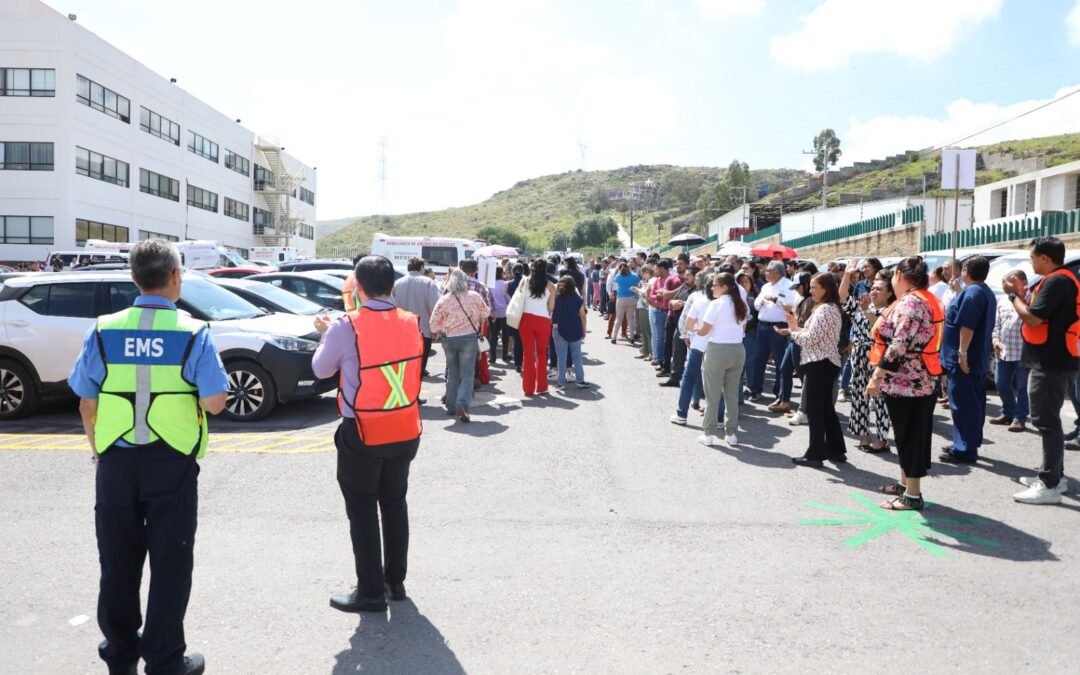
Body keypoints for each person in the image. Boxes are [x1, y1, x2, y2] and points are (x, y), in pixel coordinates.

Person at [68, 239, 228, 675]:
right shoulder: (192, 331)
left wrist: (98, 453)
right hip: (171, 462)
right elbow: (215, 402)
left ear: (134, 278)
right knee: (170, 563)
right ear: (175, 277)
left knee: (117, 561)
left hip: (115, 463)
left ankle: (120, 654)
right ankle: (163, 660)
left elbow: (86, 401)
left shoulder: (102, 329)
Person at [312, 255, 424, 614]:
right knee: (395, 503)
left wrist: (327, 334)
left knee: (362, 510)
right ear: (393, 286)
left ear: (357, 288)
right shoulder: (411, 322)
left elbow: (320, 368)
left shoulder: (346, 326)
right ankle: (395, 582)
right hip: (405, 427)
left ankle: (370, 591)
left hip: (363, 429)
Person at [1005, 237, 1079, 504]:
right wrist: (1022, 295)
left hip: (1052, 362)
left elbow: (1033, 317)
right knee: (1049, 421)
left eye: (1033, 257)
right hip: (1054, 360)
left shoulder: (1058, 281)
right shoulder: (1059, 280)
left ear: (1045, 258)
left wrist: (1014, 297)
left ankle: (1049, 483)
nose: (1031, 262)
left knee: (1046, 422)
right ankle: (1055, 477)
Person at [866, 256, 944, 511]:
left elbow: (898, 346)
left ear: (900, 275)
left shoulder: (911, 303)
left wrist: (877, 376)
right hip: (920, 379)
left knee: (910, 436)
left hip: (907, 382)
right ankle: (904, 484)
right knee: (906, 435)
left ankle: (912, 494)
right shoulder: (926, 299)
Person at [782, 273, 845, 467]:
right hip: (824, 362)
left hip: (820, 363)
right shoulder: (828, 308)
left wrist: (793, 333)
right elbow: (812, 335)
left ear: (825, 288)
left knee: (816, 410)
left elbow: (811, 339)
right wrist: (794, 329)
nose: (810, 291)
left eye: (814, 287)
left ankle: (815, 454)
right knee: (825, 409)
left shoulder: (826, 309)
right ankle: (835, 450)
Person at [938, 256, 997, 464]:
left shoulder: (973, 293)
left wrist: (962, 354)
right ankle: (967, 443)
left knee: (963, 405)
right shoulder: (982, 292)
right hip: (976, 358)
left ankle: (964, 448)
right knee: (972, 404)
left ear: (965, 272)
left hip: (965, 360)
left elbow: (967, 327)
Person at [839, 262, 895, 452]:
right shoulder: (865, 304)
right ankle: (863, 435)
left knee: (879, 398)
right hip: (860, 355)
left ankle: (881, 438)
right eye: (873, 288)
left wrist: (865, 311)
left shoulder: (890, 310)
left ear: (889, 293)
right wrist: (847, 275)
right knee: (859, 395)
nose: (874, 291)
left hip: (878, 356)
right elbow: (843, 298)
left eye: (879, 289)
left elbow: (878, 329)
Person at [429, 269, 490, 422]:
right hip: (469, 338)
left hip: (449, 339)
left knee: (452, 373)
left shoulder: (444, 299)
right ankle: (462, 404)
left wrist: (441, 329)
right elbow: (485, 314)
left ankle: (450, 406)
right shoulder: (474, 297)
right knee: (467, 375)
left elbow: (433, 324)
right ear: (466, 281)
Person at [695, 272, 748, 448]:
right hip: (737, 349)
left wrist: (696, 328)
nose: (712, 288)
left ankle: (709, 433)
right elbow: (742, 327)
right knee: (731, 394)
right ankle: (731, 433)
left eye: (715, 285)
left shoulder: (716, 304)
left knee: (712, 395)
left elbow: (704, 330)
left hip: (718, 350)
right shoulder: (741, 304)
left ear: (724, 287)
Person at [991, 269, 1030, 432]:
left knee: (1022, 387)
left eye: (1007, 283)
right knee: (1001, 384)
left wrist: (1019, 295)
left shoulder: (1030, 299)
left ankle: (1019, 418)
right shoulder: (1002, 300)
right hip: (1004, 351)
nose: (1004, 287)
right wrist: (995, 340)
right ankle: (1008, 412)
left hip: (1024, 352)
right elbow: (997, 323)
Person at [671, 271, 713, 425]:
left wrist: (686, 334)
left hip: (698, 343)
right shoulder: (727, 301)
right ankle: (716, 415)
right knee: (714, 380)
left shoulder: (697, 299)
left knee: (690, 376)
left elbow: (685, 319)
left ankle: (683, 413)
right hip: (712, 345)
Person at [749, 261, 793, 401]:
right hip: (762, 326)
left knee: (780, 361)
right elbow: (756, 304)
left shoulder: (788, 286)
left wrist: (775, 300)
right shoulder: (766, 286)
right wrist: (761, 302)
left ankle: (779, 394)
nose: (765, 273)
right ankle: (755, 390)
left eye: (768, 271)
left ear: (777, 272)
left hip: (779, 326)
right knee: (758, 359)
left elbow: (791, 307)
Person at [768, 272, 811, 415]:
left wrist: (789, 330)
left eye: (798, 287)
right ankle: (785, 401)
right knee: (784, 369)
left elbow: (804, 326)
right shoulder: (804, 300)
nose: (796, 290)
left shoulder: (810, 302)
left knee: (802, 375)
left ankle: (806, 409)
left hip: (800, 341)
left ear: (806, 285)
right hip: (794, 338)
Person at [393, 256, 442, 377]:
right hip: (423, 330)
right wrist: (437, 328)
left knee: (402, 366)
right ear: (421, 267)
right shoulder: (428, 283)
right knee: (419, 366)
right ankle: (415, 393)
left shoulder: (397, 283)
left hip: (401, 331)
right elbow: (435, 307)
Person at [519, 259, 557, 397]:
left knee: (528, 354)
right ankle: (541, 386)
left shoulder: (524, 281)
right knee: (542, 354)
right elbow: (551, 307)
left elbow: (518, 300)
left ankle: (528, 389)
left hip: (526, 319)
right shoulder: (551, 286)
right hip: (543, 320)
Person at [552, 276, 590, 389]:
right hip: (575, 328)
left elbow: (550, 313)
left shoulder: (556, 299)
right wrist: (584, 329)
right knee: (577, 356)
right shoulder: (578, 299)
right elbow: (583, 316)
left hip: (559, 329)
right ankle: (580, 380)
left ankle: (561, 382)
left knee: (561, 357)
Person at [648, 260, 677, 376]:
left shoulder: (672, 279)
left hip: (669, 311)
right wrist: (658, 296)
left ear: (662, 269)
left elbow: (675, 294)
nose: (656, 271)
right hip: (659, 311)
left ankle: (669, 362)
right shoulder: (657, 281)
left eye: (657, 268)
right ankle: (661, 360)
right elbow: (651, 295)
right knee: (660, 337)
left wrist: (665, 295)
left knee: (669, 339)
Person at [611, 263, 640, 345]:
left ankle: (614, 337)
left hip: (621, 298)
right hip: (632, 298)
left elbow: (614, 287)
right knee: (630, 319)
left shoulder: (618, 276)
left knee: (618, 319)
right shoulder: (635, 276)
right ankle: (632, 338)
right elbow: (638, 285)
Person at [488, 267, 511, 364]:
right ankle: (504, 355)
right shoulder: (506, 284)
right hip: (505, 313)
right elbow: (508, 299)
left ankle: (492, 357)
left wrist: (492, 310)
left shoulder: (490, 285)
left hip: (493, 313)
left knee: (493, 336)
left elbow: (489, 299)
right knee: (505, 336)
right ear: (502, 273)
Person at [633, 266, 654, 361]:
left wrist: (638, 290)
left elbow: (646, 294)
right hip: (642, 306)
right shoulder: (646, 282)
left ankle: (650, 353)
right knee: (643, 331)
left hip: (646, 307)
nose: (642, 276)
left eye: (643, 273)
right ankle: (645, 351)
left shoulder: (651, 281)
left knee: (647, 331)